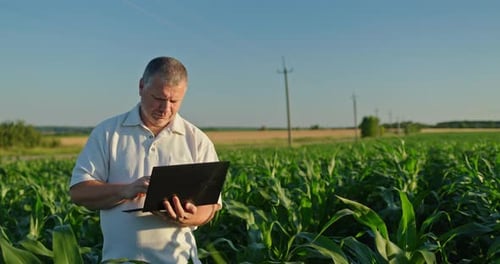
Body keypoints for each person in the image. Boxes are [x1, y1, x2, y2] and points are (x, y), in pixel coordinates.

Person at [69, 56, 221, 263]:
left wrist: (185, 217)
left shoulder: (197, 140)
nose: (165, 108)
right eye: (158, 98)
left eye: (174, 101)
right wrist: (124, 190)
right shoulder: (108, 133)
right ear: (141, 86)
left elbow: (210, 208)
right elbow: (79, 192)